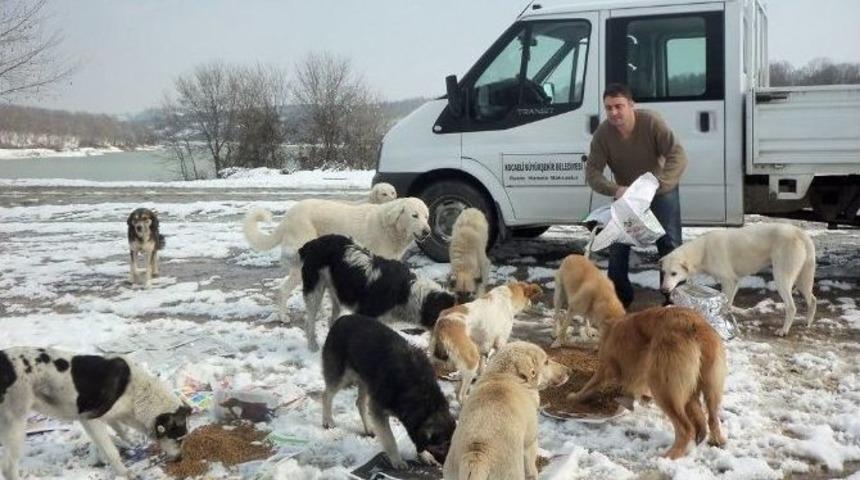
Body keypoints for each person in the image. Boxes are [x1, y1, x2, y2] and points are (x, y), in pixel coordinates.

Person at [586, 83, 687, 308]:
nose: (613, 113)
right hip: (627, 196)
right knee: (617, 249)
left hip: (660, 191)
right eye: (608, 107)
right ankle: (620, 301)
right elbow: (592, 173)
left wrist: (660, 185)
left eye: (619, 106)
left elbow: (677, 155)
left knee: (669, 246)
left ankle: (674, 303)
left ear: (631, 105)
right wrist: (616, 190)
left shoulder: (651, 122)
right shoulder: (603, 134)